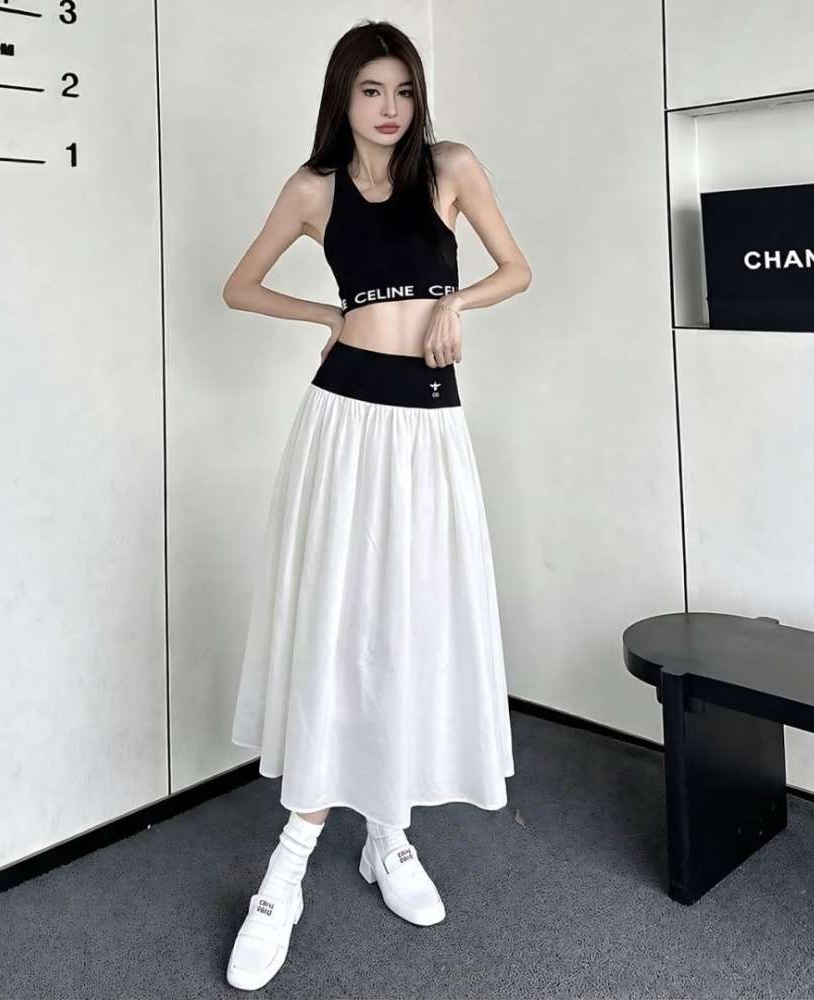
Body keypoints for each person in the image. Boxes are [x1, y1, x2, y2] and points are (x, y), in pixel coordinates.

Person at [220, 18, 532, 991]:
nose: (389, 107)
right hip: (344, 422)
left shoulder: (450, 167)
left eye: (402, 90)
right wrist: (328, 312)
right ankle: (287, 871)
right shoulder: (312, 189)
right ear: (342, 97)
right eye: (370, 90)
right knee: (337, 621)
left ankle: (387, 832)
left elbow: (516, 268)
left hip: (428, 427)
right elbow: (239, 286)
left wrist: (453, 304)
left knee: (411, 621)